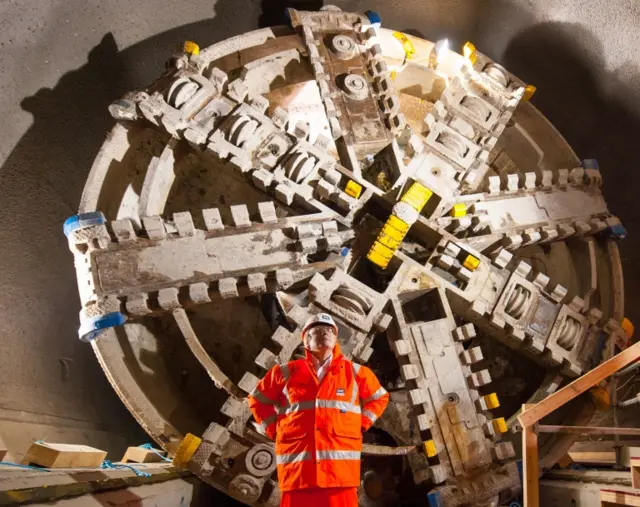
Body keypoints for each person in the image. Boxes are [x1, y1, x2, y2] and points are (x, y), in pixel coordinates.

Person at [247, 313, 389, 507]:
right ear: (305, 340)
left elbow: (379, 397)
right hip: (298, 475)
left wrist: (362, 423)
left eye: (329, 330)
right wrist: (274, 430)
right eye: (317, 331)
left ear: (336, 338)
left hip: (340, 476)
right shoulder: (285, 373)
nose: (324, 333)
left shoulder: (355, 373)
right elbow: (257, 400)